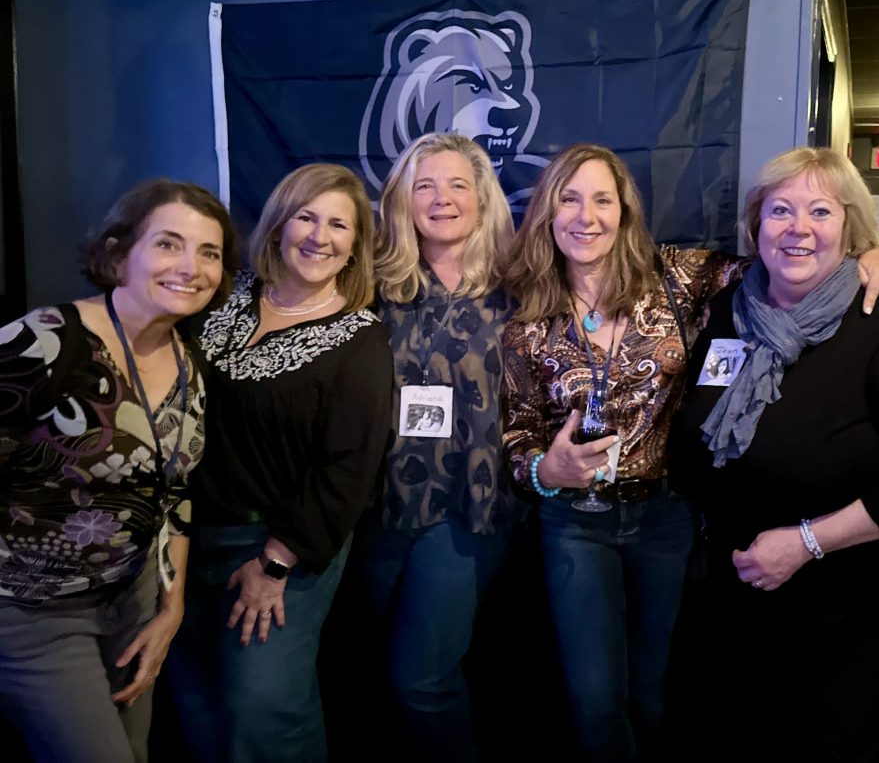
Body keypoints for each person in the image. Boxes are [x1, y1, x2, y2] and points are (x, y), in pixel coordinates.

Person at [500, 143, 879, 761]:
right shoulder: (526, 315)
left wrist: (868, 251)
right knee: (593, 698)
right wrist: (543, 469)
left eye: (602, 200)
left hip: (667, 519)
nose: (586, 217)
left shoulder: (675, 276)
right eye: (569, 199)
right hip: (574, 525)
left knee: (662, 691)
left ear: (624, 211)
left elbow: (785, 258)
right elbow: (517, 434)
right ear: (547, 214)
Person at [667, 146, 879, 761]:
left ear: (850, 227)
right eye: (780, 211)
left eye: (820, 211)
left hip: (850, 611)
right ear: (754, 225)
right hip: (738, 595)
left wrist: (803, 543)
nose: (798, 229)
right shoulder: (731, 310)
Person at [0, 180, 236, 763]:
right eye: (168, 245)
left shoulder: (189, 362)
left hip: (133, 606)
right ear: (118, 253)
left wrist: (171, 604)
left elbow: (174, 493)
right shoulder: (49, 341)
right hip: (35, 613)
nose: (191, 267)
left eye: (209, 252)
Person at [168, 164, 392, 762]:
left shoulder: (359, 339)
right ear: (278, 225)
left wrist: (274, 563)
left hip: (277, 545)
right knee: (195, 701)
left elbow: (349, 470)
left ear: (355, 245)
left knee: (264, 711)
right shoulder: (220, 297)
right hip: (182, 539)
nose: (319, 236)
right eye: (306, 217)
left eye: (338, 225)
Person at [355, 133, 519, 763]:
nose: (441, 199)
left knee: (420, 679)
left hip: (471, 508)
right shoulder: (367, 283)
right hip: (377, 506)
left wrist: (857, 253)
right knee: (372, 669)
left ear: (482, 200)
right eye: (425, 185)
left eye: (457, 185)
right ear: (402, 200)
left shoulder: (522, 285)